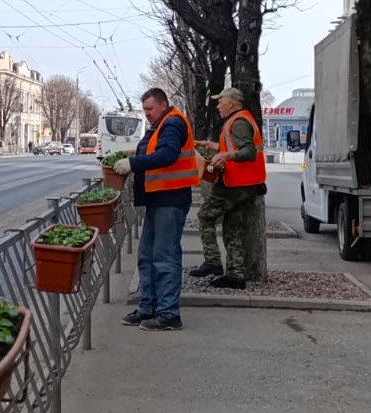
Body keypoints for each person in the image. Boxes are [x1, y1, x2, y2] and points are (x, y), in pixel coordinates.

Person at [113, 87, 199, 331]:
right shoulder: (163, 123)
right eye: (144, 110)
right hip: (160, 199)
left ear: (163, 104)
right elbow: (155, 150)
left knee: (164, 257)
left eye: (150, 109)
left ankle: (169, 315)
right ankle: (148, 308)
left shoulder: (172, 123)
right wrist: (135, 152)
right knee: (148, 256)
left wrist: (131, 162)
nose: (147, 114)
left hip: (169, 200)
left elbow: (167, 155)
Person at [191, 87, 267, 290]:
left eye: (220, 101)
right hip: (246, 185)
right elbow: (233, 147)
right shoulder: (241, 119)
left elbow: (248, 151)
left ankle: (213, 262)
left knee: (205, 216)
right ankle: (235, 275)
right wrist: (210, 145)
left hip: (234, 184)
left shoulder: (239, 122)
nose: (217, 106)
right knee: (232, 228)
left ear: (232, 103)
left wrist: (225, 157)